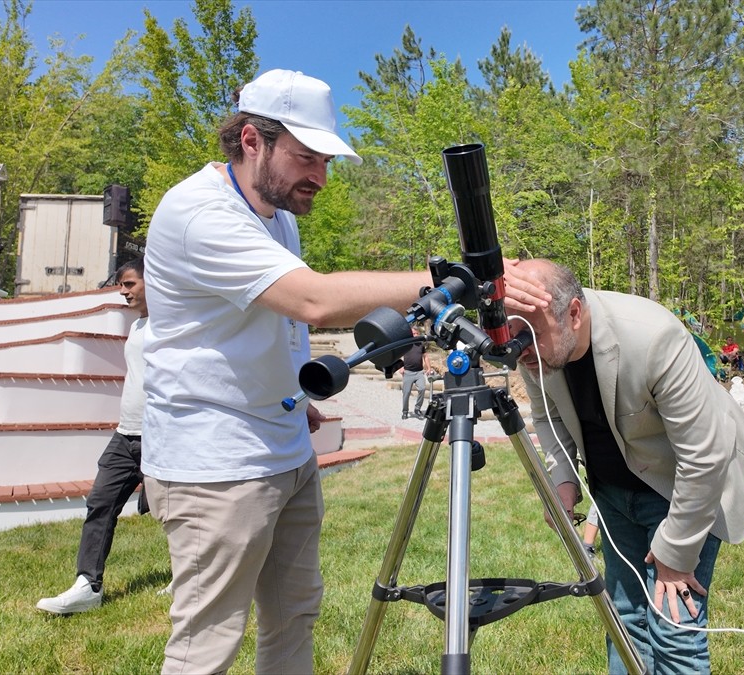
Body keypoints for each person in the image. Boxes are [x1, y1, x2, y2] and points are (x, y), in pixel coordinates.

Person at [141, 69, 550, 674]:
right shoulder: (201, 214)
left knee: (295, 614)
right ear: (251, 140)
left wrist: (290, 393)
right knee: (207, 645)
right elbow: (312, 300)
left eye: (327, 160)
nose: (322, 178)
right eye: (307, 157)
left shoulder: (277, 213)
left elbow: (267, 317)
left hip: (282, 446)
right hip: (217, 464)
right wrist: (449, 281)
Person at [511, 259, 744, 674]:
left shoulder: (653, 335)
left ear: (574, 314)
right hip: (612, 494)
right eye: (510, 336)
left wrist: (677, 551)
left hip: (681, 492)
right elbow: (548, 416)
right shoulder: (535, 348)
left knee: (674, 632)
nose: (518, 349)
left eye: (529, 335)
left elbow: (704, 456)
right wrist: (562, 479)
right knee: (625, 621)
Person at [37, 258, 158, 615]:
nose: (124, 291)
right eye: (121, 285)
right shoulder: (138, 327)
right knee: (100, 503)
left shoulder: (174, 326)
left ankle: (190, 579)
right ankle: (88, 585)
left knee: (176, 513)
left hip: (161, 436)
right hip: (126, 436)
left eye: (130, 284)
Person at [399, 327, 432, 419]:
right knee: (406, 393)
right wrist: (401, 367)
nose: (415, 335)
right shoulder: (405, 344)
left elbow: (425, 357)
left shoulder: (421, 344)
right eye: (413, 334)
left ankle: (417, 409)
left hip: (419, 372)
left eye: (416, 333)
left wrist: (429, 368)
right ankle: (405, 411)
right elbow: (398, 356)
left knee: (422, 389)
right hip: (408, 372)